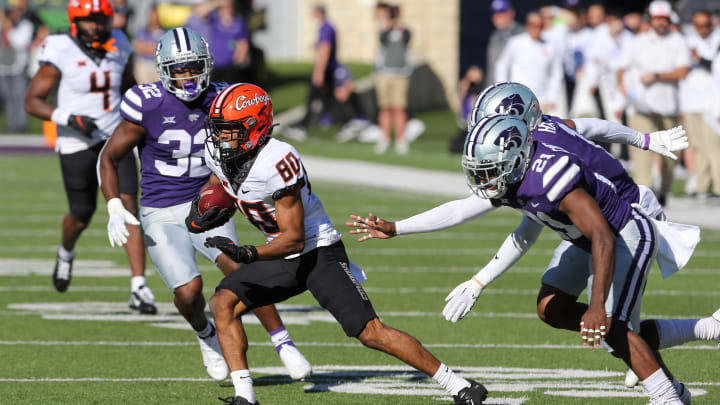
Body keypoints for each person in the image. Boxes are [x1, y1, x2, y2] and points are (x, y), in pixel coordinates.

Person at [347, 84, 719, 404]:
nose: (485, 178)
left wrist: (594, 306)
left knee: (613, 327)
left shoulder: (548, 172)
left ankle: (669, 394)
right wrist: (397, 228)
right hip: (585, 235)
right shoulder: (517, 165)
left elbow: (601, 233)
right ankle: (679, 367)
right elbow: (463, 209)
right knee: (552, 307)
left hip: (624, 232)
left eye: (491, 169)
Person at [188, 83, 488, 405]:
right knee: (223, 303)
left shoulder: (277, 161)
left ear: (253, 127)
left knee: (370, 332)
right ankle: (245, 398)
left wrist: (248, 253)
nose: (220, 139)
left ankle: (458, 385)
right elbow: (221, 183)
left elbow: (294, 238)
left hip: (317, 252)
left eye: (229, 131)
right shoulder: (220, 153)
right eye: (218, 130)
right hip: (280, 253)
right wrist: (208, 206)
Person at [98, 27, 312, 382]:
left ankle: (284, 343)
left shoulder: (221, 99)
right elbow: (109, 156)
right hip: (160, 209)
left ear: (207, 64)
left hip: (208, 202)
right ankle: (204, 333)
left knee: (238, 267)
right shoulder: (146, 103)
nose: (188, 76)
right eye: (179, 69)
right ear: (164, 70)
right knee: (189, 290)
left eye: (194, 66)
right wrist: (114, 205)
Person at [23, 0, 156, 314]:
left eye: (100, 19)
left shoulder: (120, 41)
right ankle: (66, 250)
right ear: (74, 21)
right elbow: (32, 100)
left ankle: (139, 286)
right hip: (76, 140)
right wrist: (70, 118)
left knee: (128, 206)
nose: (95, 26)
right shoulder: (59, 48)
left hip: (114, 135)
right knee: (81, 215)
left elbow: (128, 87)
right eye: (89, 20)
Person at [617, 0, 691, 205]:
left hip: (667, 104)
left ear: (668, 20)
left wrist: (658, 76)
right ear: (651, 19)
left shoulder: (678, 40)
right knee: (641, 149)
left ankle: (664, 190)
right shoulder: (637, 41)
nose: (660, 22)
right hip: (640, 105)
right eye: (656, 18)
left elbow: (683, 70)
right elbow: (621, 68)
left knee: (670, 152)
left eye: (663, 19)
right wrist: (623, 87)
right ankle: (645, 192)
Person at [281, 4, 341, 143]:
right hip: (327, 69)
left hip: (324, 70)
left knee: (311, 99)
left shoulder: (325, 28)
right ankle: (327, 123)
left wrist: (319, 72)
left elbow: (325, 50)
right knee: (327, 99)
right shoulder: (328, 27)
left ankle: (303, 127)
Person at [680, 9, 720, 198]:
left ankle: (718, 186)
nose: (702, 29)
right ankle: (702, 186)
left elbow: (714, 65)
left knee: (713, 147)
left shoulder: (717, 40)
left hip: (710, 103)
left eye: (706, 25)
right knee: (698, 147)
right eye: (698, 25)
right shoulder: (687, 40)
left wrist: (699, 58)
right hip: (690, 102)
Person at [494, 12, 564, 116]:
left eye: (539, 25)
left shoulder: (550, 47)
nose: (536, 28)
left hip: (541, 101)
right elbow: (502, 65)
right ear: (528, 25)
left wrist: (551, 98)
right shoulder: (515, 43)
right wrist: (504, 90)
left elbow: (556, 73)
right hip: (517, 99)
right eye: (533, 25)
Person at [374, 3, 412, 155]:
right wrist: (390, 23)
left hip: (401, 74)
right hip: (385, 73)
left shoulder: (405, 30)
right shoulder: (383, 28)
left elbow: (406, 38)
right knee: (385, 108)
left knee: (399, 108)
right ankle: (384, 138)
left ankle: (400, 139)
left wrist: (398, 22)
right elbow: (383, 39)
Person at [186, 0, 249, 85]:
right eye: (224, 8)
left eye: (229, 6)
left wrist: (241, 55)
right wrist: (217, 3)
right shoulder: (214, 19)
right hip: (213, 66)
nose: (227, 10)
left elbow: (242, 41)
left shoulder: (238, 22)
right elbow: (198, 13)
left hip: (231, 66)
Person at [0, 1, 33, 132]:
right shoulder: (3, 25)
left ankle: (21, 124)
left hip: (18, 66)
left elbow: (20, 43)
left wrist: (9, 30)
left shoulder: (25, 25)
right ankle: (10, 123)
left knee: (19, 95)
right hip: (3, 66)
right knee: (7, 96)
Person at [484, 0, 523, 90]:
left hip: (517, 91)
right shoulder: (495, 36)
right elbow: (492, 68)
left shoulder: (523, 34)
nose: (498, 17)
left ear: (511, 13)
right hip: (498, 91)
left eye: (502, 12)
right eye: (495, 13)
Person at [131, 4, 164, 84]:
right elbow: (138, 47)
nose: (154, 17)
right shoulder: (143, 31)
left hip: (158, 65)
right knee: (140, 65)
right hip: (144, 64)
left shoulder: (164, 32)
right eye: (152, 15)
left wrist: (148, 47)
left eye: (156, 15)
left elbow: (165, 50)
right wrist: (156, 48)